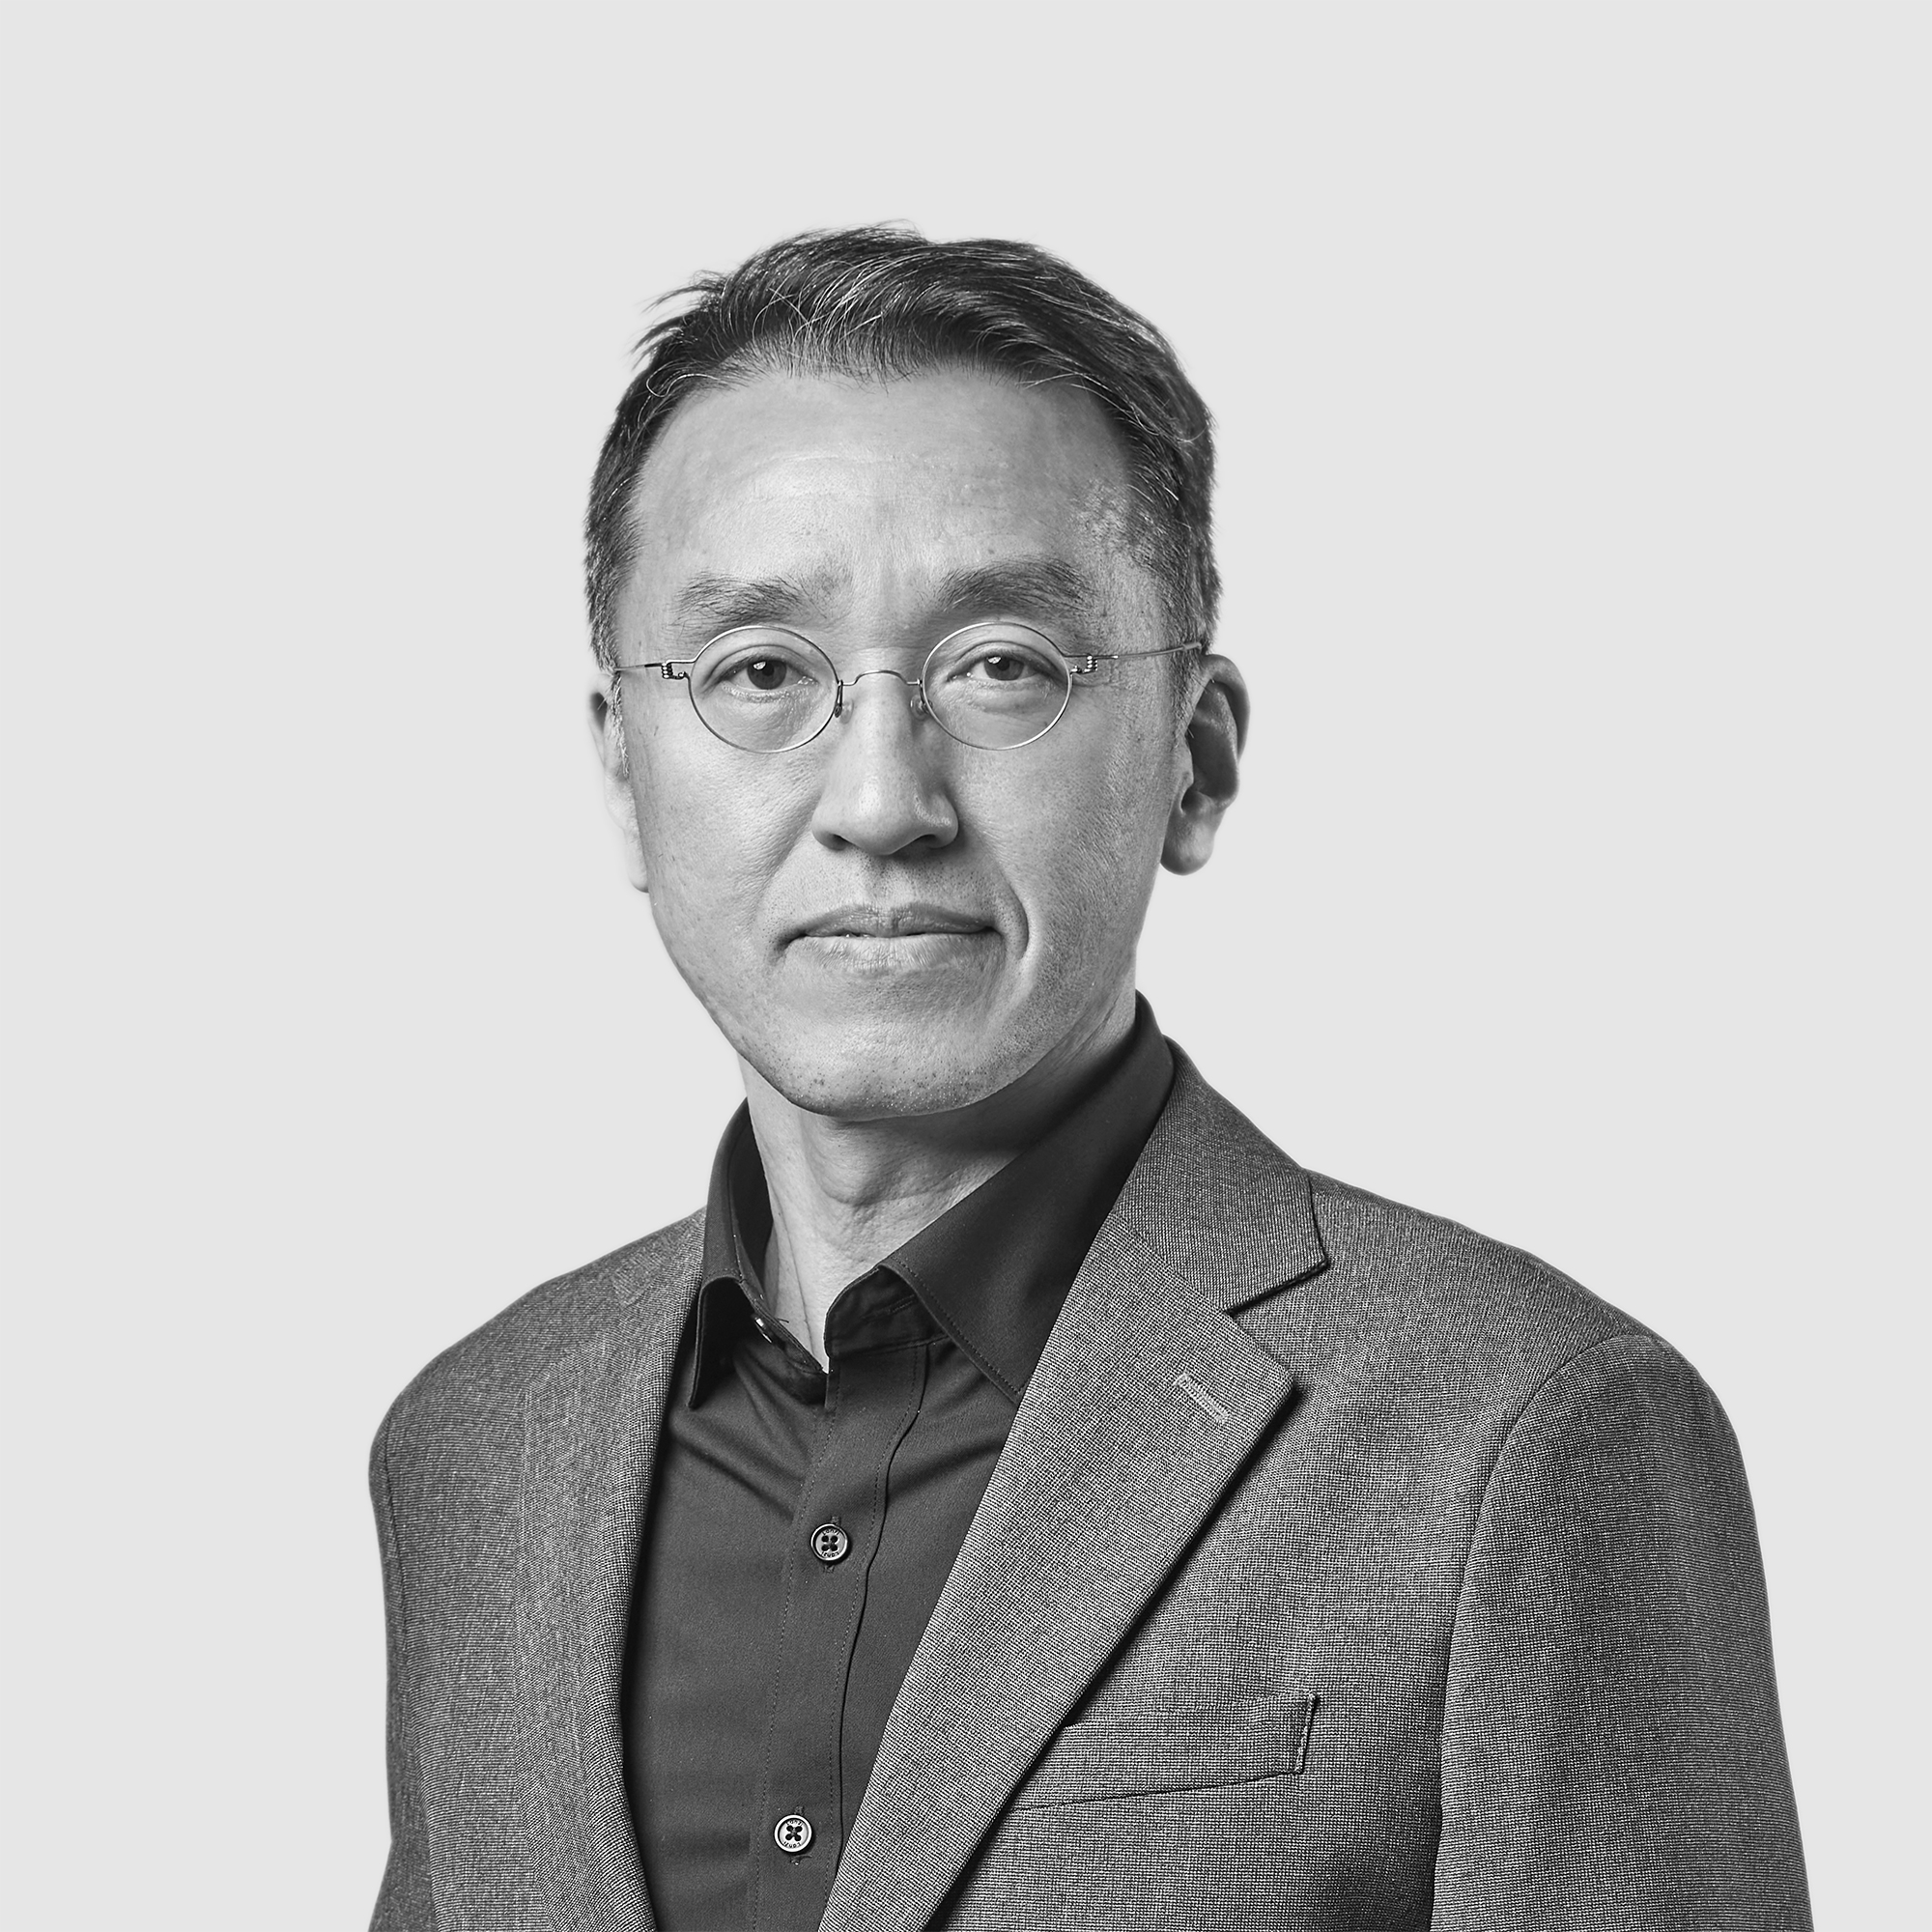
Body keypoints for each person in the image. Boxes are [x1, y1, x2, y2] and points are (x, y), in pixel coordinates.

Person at [367, 226, 1810, 1932]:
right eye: (760, 673)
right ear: (625, 773)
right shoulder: (479, 1447)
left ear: (1195, 763)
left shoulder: (1520, 1433)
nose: (881, 802)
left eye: (1003, 667)